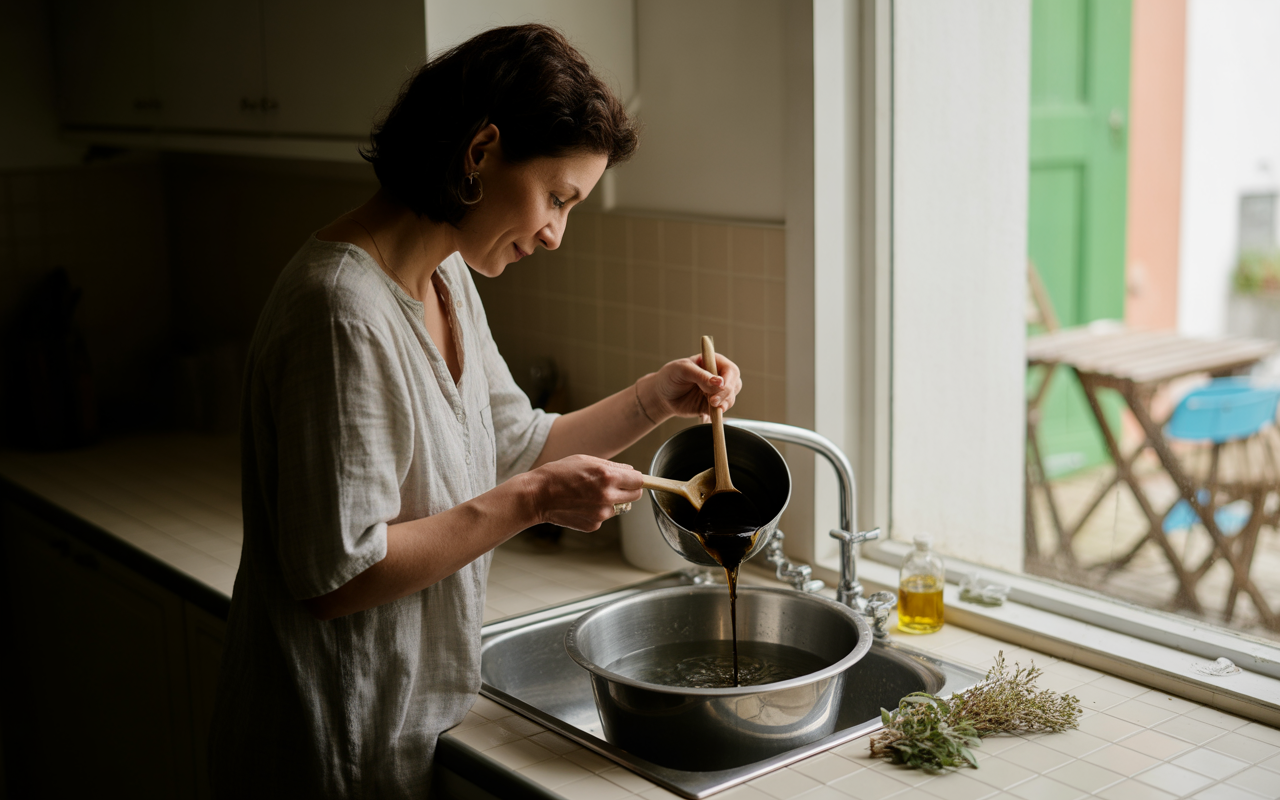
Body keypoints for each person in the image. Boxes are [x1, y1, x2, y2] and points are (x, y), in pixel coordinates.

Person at [209, 23, 742, 799]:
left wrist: (653, 398)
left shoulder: (449, 280)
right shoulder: (340, 311)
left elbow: (517, 444)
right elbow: (336, 575)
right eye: (557, 198)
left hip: (402, 725)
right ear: (481, 152)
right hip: (327, 740)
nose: (557, 233)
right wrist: (532, 502)